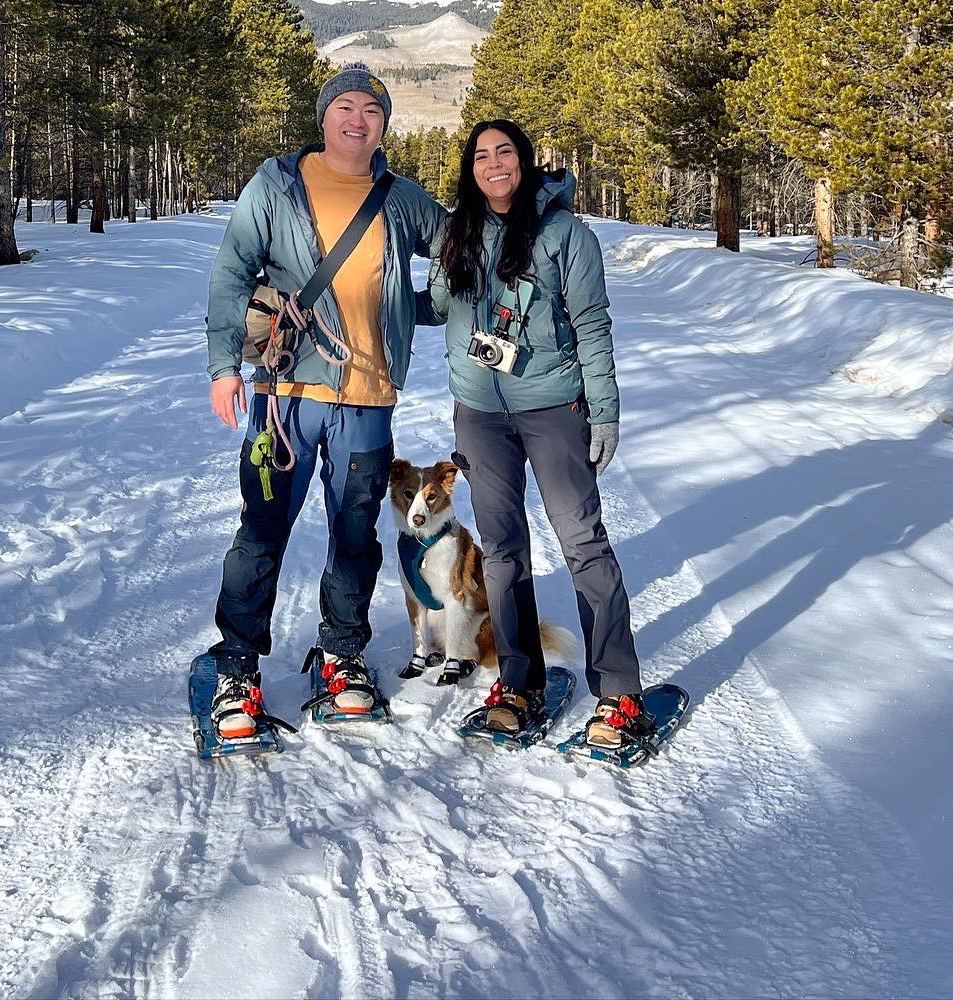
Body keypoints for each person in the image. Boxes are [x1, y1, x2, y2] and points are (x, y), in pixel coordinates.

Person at [204, 63, 446, 740]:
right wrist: (223, 367)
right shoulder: (276, 184)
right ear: (324, 117)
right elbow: (231, 273)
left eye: (371, 110)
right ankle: (237, 668)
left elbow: (459, 252)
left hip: (368, 398)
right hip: (283, 396)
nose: (357, 119)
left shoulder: (402, 198)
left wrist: (418, 306)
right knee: (262, 532)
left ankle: (343, 655)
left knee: (354, 533)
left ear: (384, 125)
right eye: (345, 106)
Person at [421, 118, 649, 751]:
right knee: (501, 550)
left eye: (505, 152)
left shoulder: (566, 234)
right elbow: (436, 307)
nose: (494, 164)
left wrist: (604, 410)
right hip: (479, 414)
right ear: (469, 170)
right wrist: (360, 302)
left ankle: (618, 692)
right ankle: (519, 682)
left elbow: (592, 323)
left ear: (523, 161)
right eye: (481, 156)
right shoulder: (459, 234)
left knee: (583, 542)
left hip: (553, 409)